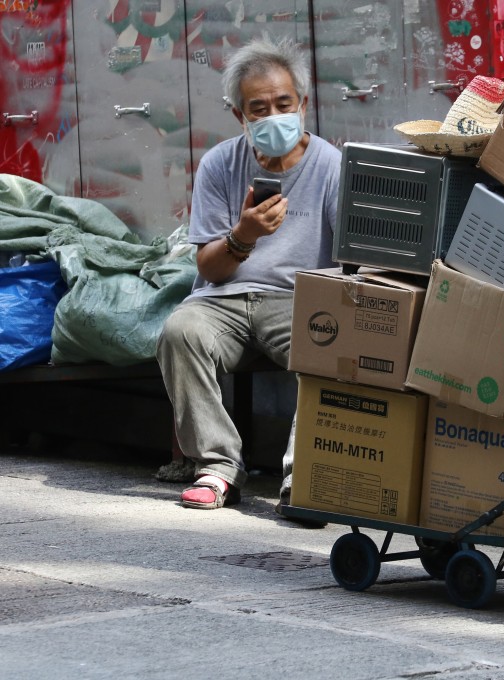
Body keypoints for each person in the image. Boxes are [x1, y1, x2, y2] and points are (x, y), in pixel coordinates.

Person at [156, 35, 341, 519]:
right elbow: (209, 268)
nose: (273, 115)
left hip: (298, 298)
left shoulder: (331, 166)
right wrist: (244, 234)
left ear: (303, 104)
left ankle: (304, 478)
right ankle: (217, 466)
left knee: (330, 342)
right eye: (258, 108)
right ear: (240, 116)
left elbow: (350, 263)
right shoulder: (220, 164)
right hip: (226, 298)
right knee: (180, 331)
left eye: (283, 103)